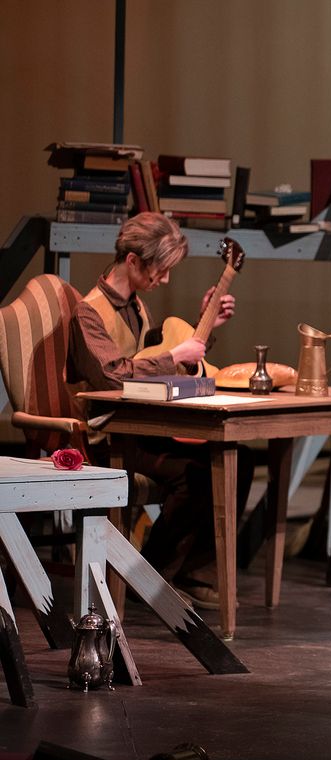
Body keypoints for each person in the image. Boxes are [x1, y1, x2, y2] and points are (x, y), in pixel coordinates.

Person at [68, 212, 249, 609]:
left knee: (239, 460)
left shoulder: (136, 306)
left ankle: (191, 572)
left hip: (144, 428)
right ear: (133, 261)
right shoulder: (89, 312)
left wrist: (204, 326)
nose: (164, 280)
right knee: (194, 475)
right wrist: (174, 356)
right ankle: (147, 578)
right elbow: (115, 376)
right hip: (109, 436)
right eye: (160, 270)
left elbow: (154, 361)